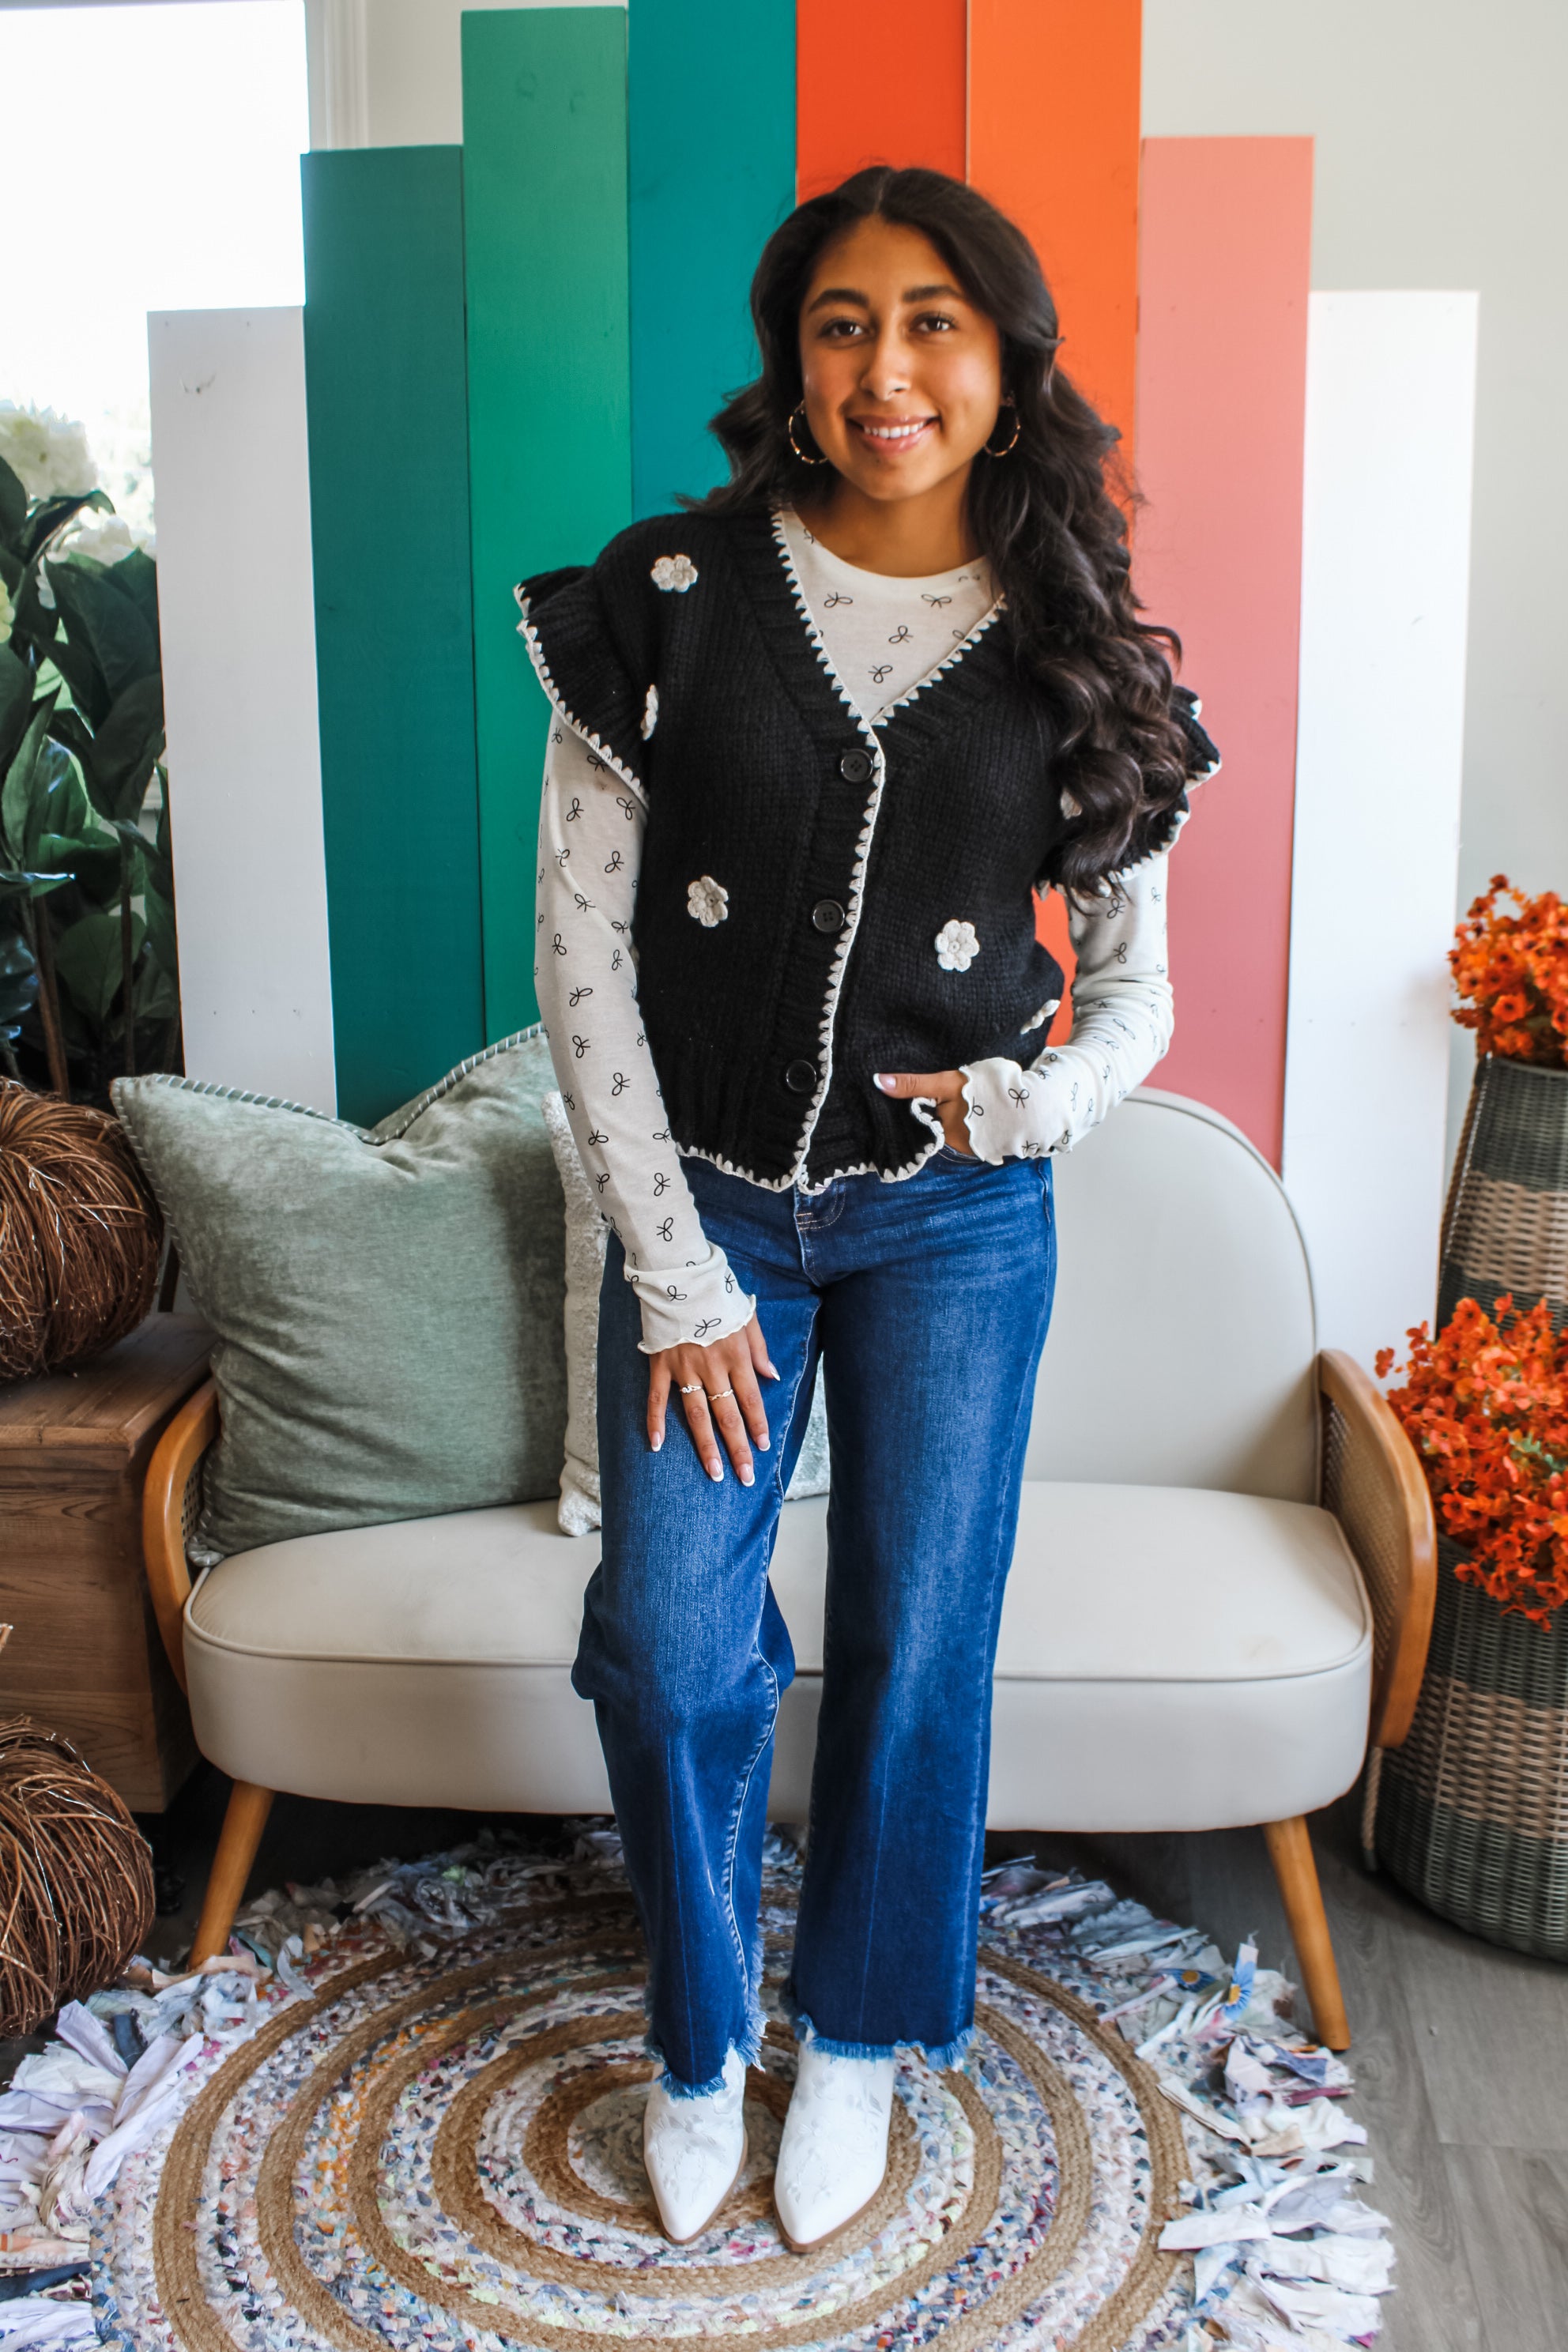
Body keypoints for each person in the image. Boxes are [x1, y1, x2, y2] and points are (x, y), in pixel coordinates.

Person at [518, 164, 1218, 2252]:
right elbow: (580, 952)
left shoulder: (1075, 644)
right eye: (843, 323)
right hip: (711, 1225)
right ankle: (698, 2035)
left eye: (933, 322)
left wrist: (1039, 1101)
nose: (886, 366)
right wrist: (675, 1276)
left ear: (1005, 364)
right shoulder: (668, 595)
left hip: (954, 1229)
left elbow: (1137, 990)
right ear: (792, 360)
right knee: (669, 1649)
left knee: (920, 1644)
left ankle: (857, 2036)